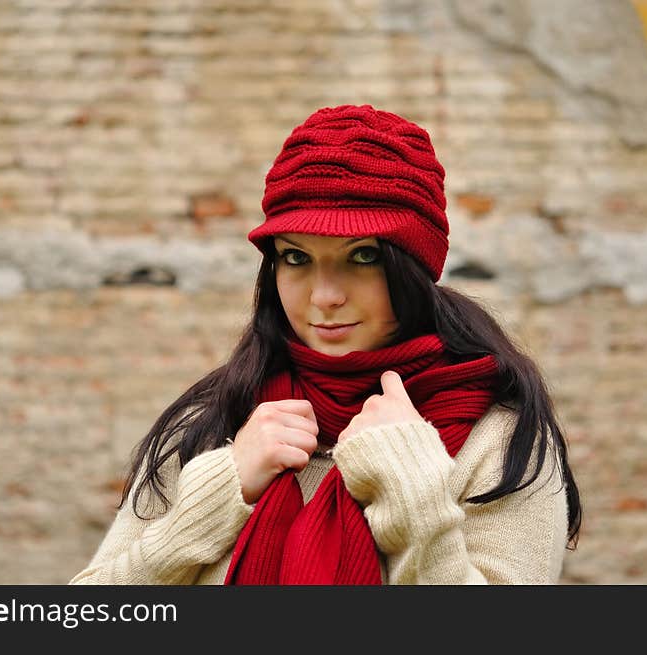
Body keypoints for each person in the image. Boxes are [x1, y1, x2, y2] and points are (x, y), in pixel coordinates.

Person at [69, 103, 581, 585]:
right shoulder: (218, 423)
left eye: (362, 257)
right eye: (296, 258)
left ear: (412, 269)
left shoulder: (499, 440)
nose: (325, 295)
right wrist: (215, 497)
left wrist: (411, 487)